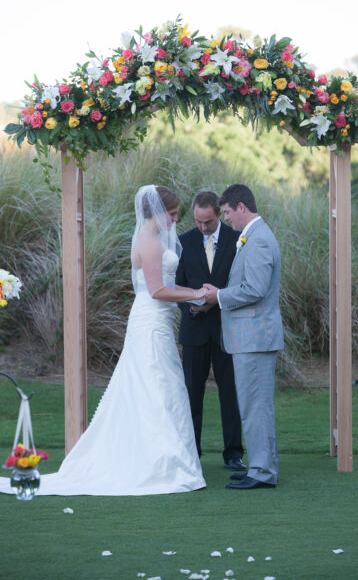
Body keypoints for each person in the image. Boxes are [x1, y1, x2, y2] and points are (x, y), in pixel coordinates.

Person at [0, 185, 207, 496]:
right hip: (151, 320)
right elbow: (157, 290)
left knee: (158, 387)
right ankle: (162, 463)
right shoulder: (150, 242)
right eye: (174, 214)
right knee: (158, 387)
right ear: (159, 212)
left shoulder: (148, 238)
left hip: (154, 320)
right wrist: (196, 293)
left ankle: (162, 459)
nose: (176, 220)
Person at [204, 184, 284, 490]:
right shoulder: (252, 235)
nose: (225, 220)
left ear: (241, 207)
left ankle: (262, 472)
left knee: (256, 406)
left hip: (256, 337)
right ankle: (261, 466)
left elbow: (255, 289)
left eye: (225, 213)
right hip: (250, 336)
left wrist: (218, 296)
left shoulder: (260, 239)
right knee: (253, 404)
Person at [175, 190, 245, 472]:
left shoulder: (236, 240)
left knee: (231, 393)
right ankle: (192, 454)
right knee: (191, 394)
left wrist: (218, 298)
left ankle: (233, 455)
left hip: (228, 329)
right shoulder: (183, 242)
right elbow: (175, 286)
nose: (202, 227)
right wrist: (193, 306)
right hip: (194, 330)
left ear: (219, 214)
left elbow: (243, 283)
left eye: (208, 222)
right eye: (197, 221)